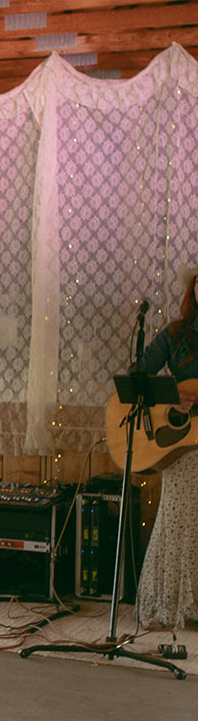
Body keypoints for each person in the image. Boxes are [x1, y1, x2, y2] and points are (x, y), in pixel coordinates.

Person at [136, 264, 198, 629]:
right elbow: (138, 377)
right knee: (178, 522)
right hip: (183, 446)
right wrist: (172, 400)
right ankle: (171, 605)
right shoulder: (174, 334)